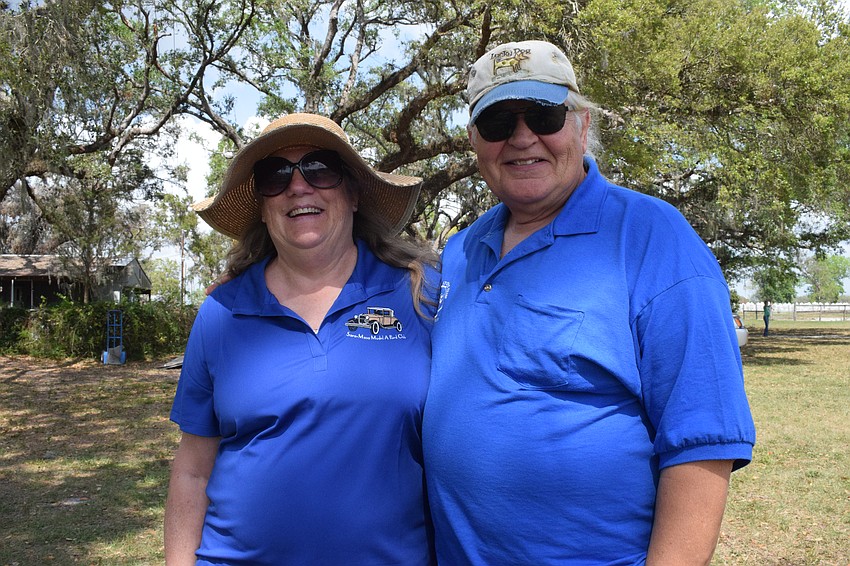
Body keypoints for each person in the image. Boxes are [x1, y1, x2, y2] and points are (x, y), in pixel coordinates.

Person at [422, 40, 756, 564]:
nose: (522, 137)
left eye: (544, 114)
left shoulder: (653, 237)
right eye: (498, 123)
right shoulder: (462, 250)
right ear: (474, 141)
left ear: (581, 124)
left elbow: (701, 444)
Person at [164, 113, 438, 565]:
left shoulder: (421, 296)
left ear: (352, 193)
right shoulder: (222, 312)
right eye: (275, 176)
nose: (298, 187)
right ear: (262, 204)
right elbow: (193, 471)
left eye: (319, 169)